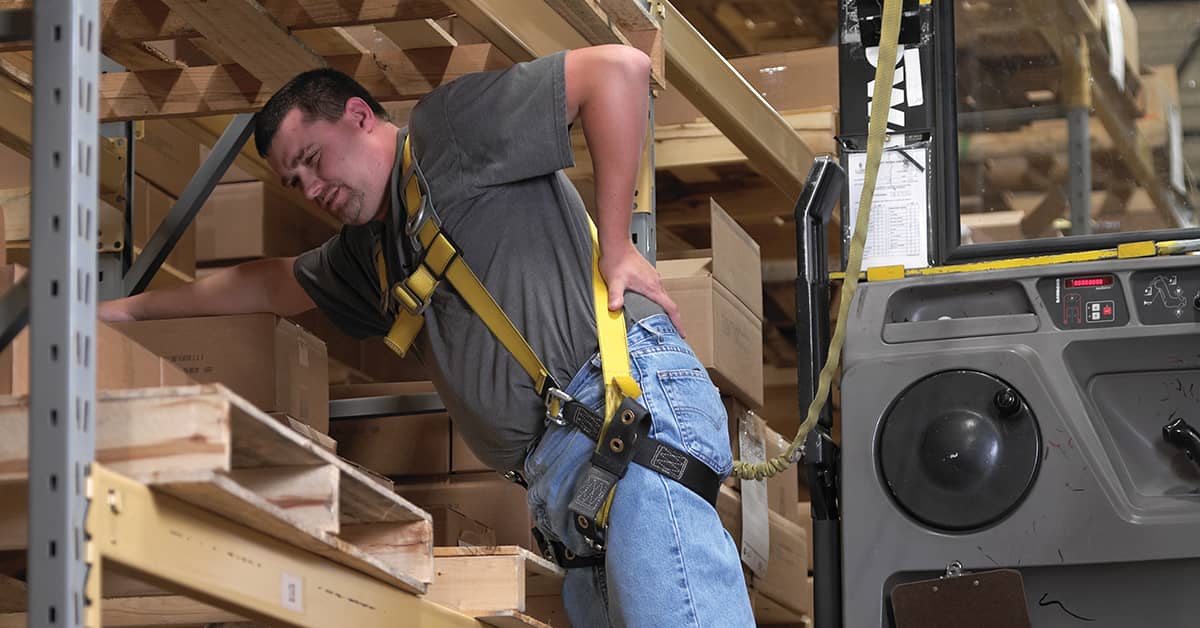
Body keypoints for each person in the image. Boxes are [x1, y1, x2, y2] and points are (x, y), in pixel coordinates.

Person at [100, 44, 755, 627]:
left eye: (313, 160)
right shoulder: (372, 253)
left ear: (358, 117)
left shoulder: (448, 132)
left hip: (622, 418)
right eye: (295, 182)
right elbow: (271, 285)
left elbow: (618, 71)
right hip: (575, 487)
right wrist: (120, 315)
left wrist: (618, 247)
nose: (312, 189)